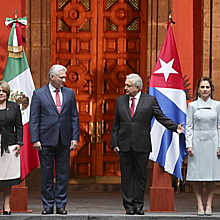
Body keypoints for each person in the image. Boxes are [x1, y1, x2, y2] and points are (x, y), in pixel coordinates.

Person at [111, 73, 184, 215]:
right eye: (125, 85)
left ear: (137, 87)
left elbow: (160, 117)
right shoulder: (120, 101)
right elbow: (116, 124)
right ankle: (128, 205)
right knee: (126, 176)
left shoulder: (150, 100)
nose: (125, 88)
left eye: (128, 85)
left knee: (140, 176)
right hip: (124, 144)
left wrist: (175, 127)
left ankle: (138, 205)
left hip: (142, 144)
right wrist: (115, 143)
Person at [29, 64, 80, 215]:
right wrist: (35, 139)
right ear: (52, 77)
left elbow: (74, 117)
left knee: (63, 174)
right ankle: (48, 205)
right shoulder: (39, 94)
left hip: (64, 139)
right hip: (45, 140)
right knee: (46, 174)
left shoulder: (69, 93)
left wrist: (75, 137)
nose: (64, 80)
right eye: (61, 77)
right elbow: (34, 118)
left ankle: (61, 205)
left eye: (64, 77)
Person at [186, 76, 220, 216]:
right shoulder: (192, 106)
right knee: (198, 176)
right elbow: (189, 127)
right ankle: (200, 204)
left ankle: (209, 205)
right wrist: (189, 145)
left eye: (207, 87)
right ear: (198, 90)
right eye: (202, 87)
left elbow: (219, 126)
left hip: (213, 142)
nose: (205, 89)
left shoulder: (217, 105)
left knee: (211, 176)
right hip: (197, 142)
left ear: (211, 89)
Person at [0, 81, 23, 215]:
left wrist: (19, 143)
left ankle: (6, 206)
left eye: (3, 91)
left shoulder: (14, 107)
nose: (1, 93)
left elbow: (19, 126)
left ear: (7, 93)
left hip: (10, 144)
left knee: (7, 178)